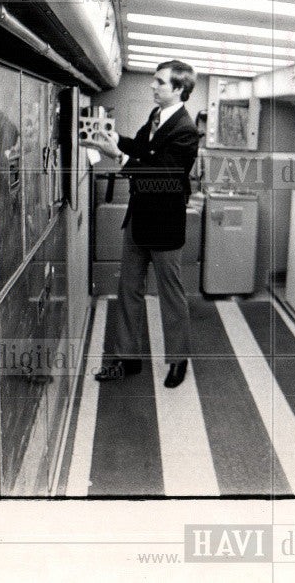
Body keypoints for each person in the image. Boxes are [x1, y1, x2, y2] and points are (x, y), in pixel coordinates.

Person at [82, 60, 200, 388]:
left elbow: (160, 173)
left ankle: (178, 360)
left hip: (164, 227)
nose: (153, 86)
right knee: (128, 290)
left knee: (170, 295)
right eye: (154, 81)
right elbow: (140, 149)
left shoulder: (186, 131)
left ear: (179, 89)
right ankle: (127, 356)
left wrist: (117, 157)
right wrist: (111, 138)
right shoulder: (156, 117)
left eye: (160, 82)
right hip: (138, 221)